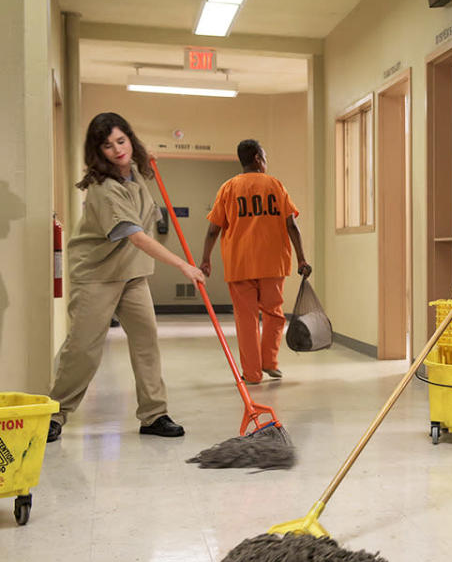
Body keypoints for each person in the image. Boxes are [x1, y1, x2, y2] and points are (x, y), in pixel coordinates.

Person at [47, 112, 205, 442]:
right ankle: (55, 412)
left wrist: (147, 157)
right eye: (108, 146)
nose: (118, 150)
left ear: (130, 139)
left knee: (146, 341)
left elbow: (140, 165)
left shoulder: (134, 172)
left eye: (122, 141)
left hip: (132, 274)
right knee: (84, 349)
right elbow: (136, 236)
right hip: (97, 274)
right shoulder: (104, 189)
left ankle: (154, 414)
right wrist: (183, 266)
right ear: (97, 151)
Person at [200, 139, 311, 385]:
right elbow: (291, 224)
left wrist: (206, 259)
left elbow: (213, 229)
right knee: (274, 314)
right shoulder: (275, 185)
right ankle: (269, 362)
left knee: (246, 319)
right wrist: (302, 258)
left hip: (239, 265)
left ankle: (252, 373)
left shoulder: (228, 188)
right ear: (259, 159)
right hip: (273, 264)